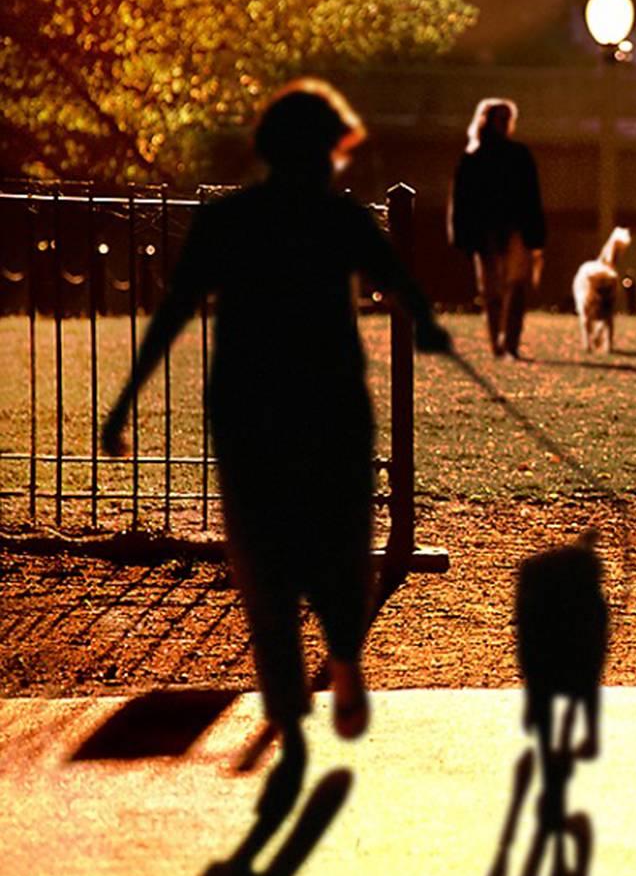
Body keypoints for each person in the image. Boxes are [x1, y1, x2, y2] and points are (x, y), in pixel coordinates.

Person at [101, 79, 451, 814]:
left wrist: (126, 400)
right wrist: (428, 325)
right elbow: (400, 284)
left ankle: (290, 712)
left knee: (265, 565)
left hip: (250, 415)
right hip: (330, 412)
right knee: (339, 548)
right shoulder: (340, 218)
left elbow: (173, 312)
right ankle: (346, 656)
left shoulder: (228, 220)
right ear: (325, 151)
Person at [449, 98, 547, 359]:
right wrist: (536, 235)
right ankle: (506, 343)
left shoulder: (473, 158)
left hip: (489, 231)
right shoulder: (517, 155)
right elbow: (531, 198)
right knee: (510, 288)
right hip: (508, 230)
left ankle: (501, 342)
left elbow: (461, 202)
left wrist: (461, 235)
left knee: (497, 290)